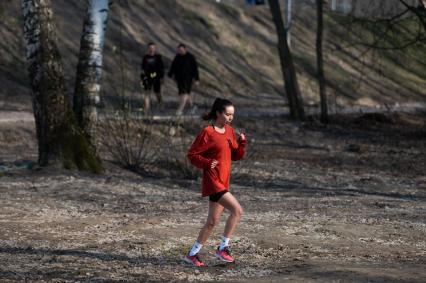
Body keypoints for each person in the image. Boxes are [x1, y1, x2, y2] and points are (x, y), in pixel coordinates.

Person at [184, 98, 247, 267]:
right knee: (237, 210)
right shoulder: (207, 132)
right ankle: (223, 248)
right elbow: (192, 155)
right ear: (218, 113)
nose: (230, 117)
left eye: (232, 115)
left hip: (223, 181)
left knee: (212, 222)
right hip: (213, 182)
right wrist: (206, 163)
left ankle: (192, 254)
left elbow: (236, 156)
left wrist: (241, 144)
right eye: (227, 114)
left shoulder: (229, 131)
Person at [168, 43, 199, 115]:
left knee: (184, 93)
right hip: (179, 79)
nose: (180, 51)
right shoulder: (177, 57)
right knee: (184, 93)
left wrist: (196, 79)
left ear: (185, 49)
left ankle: (179, 110)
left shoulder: (190, 57)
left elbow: (195, 68)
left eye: (181, 50)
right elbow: (173, 66)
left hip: (188, 79)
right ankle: (192, 107)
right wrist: (170, 74)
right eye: (179, 50)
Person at [140, 42, 165, 114]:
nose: (151, 49)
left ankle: (161, 103)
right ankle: (146, 108)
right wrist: (142, 76)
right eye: (150, 48)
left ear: (155, 49)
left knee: (157, 93)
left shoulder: (158, 57)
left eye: (153, 48)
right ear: (148, 49)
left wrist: (162, 77)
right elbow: (143, 68)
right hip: (147, 77)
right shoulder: (145, 57)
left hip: (156, 77)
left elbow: (161, 68)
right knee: (146, 93)